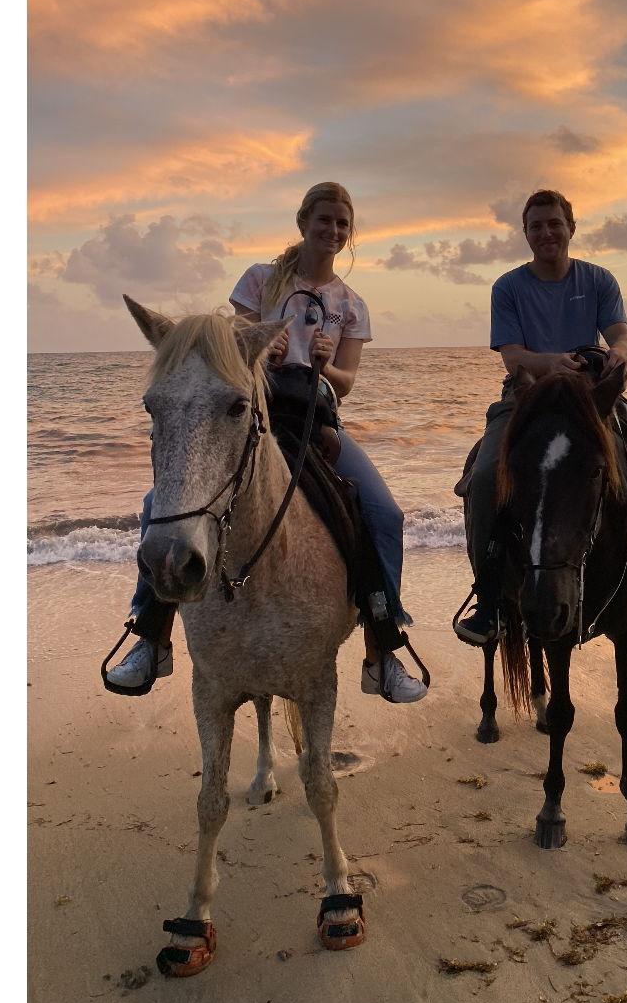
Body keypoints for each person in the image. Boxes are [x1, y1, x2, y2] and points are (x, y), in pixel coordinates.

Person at [107, 182, 428, 703]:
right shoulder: (259, 280)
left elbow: (347, 382)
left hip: (315, 422)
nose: (333, 230)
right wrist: (257, 345)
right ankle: (149, 634)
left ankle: (382, 644)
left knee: (383, 512)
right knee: (158, 504)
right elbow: (223, 351)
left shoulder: (352, 305)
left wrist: (327, 362)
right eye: (324, 219)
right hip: (251, 415)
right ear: (303, 222)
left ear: (350, 234)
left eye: (343, 223)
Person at [454, 188, 627, 643]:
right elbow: (513, 356)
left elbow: (621, 333)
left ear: (571, 229)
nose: (546, 232)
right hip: (527, 399)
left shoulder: (599, 280)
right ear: (525, 234)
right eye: (536, 225)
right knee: (484, 480)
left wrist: (620, 354)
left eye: (554, 223)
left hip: (594, 398)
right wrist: (554, 362)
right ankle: (490, 598)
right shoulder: (508, 287)